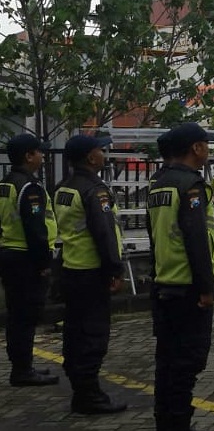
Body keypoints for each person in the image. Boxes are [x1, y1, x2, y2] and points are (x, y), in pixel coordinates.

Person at [146, 122, 214, 431]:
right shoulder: (190, 185)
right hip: (187, 287)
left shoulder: (158, 184)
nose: (208, 150)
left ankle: (167, 429)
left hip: (164, 282)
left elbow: (153, 236)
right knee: (185, 364)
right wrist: (206, 288)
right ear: (195, 148)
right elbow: (196, 239)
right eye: (206, 144)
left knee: (167, 364)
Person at [54, 134, 128, 414]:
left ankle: (81, 389)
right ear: (90, 157)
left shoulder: (64, 187)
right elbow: (104, 232)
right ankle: (89, 395)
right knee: (93, 335)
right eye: (100, 150)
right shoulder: (94, 190)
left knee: (74, 332)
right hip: (92, 271)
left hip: (71, 268)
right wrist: (115, 269)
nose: (103, 154)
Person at [0, 133, 58, 387]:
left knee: (17, 315)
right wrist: (43, 263)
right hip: (25, 258)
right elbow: (35, 229)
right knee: (25, 316)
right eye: (39, 152)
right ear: (28, 156)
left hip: (9, 254)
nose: (42, 156)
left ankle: (23, 365)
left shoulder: (6, 183)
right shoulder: (29, 186)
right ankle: (22, 370)